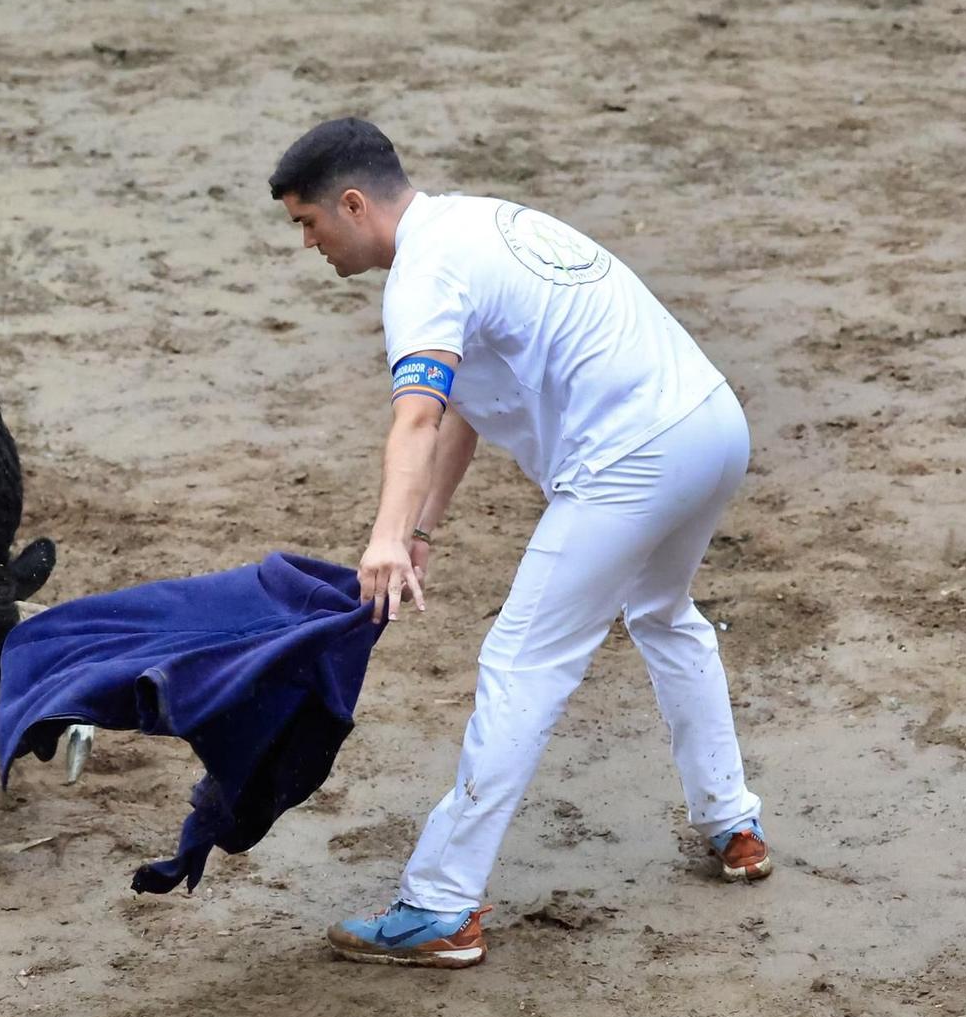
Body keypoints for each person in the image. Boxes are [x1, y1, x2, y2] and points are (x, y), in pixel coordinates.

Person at [268, 118, 767, 970]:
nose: (309, 243)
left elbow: (417, 415)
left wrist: (385, 539)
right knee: (663, 609)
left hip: (634, 458)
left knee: (520, 663)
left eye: (309, 222)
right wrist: (424, 525)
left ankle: (438, 905)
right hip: (713, 426)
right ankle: (732, 822)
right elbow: (465, 403)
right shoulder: (477, 223)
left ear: (354, 204)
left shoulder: (422, 273)